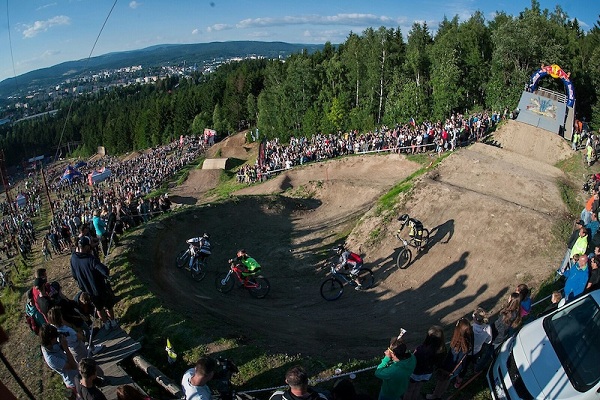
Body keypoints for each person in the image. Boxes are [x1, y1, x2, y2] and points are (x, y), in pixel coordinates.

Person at [70, 236, 117, 330]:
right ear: (87, 246)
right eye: (89, 245)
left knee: (98, 308)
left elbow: (74, 275)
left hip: (88, 290)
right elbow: (104, 271)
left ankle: (106, 324)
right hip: (100, 288)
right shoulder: (90, 259)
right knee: (108, 306)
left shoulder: (73, 258)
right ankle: (113, 321)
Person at [426, 319, 473, 400]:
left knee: (441, 382)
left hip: (448, 370)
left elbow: (452, 360)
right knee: (447, 382)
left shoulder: (457, 346)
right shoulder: (468, 341)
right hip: (457, 369)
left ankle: (435, 396)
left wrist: (442, 367)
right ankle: (440, 395)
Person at [404, 326, 446, 400]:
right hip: (427, 373)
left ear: (429, 337)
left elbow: (413, 360)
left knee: (410, 389)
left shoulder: (421, 349)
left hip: (416, 372)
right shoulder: (441, 350)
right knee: (418, 387)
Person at [455, 308, 492, 388]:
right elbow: (488, 341)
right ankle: (475, 372)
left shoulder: (470, 328)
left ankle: (458, 381)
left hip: (467, 352)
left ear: (475, 318)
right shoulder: (488, 328)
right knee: (475, 362)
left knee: (464, 368)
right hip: (477, 351)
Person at [375, 331, 416, 400]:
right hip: (401, 389)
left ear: (393, 353)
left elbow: (378, 372)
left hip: (388, 393)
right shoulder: (412, 358)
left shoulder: (392, 371)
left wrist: (386, 359)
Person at [40, 324, 78, 393]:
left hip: (78, 375)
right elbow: (73, 366)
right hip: (74, 383)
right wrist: (66, 348)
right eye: (55, 338)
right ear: (51, 339)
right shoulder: (51, 359)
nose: (57, 340)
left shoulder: (49, 345)